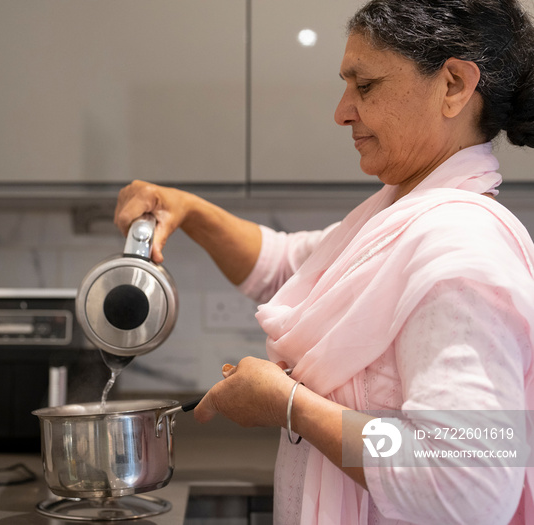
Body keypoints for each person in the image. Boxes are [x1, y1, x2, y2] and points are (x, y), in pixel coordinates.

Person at [114, 0, 534, 523]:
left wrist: (293, 408)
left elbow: (462, 482)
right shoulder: (398, 219)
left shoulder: (462, 254)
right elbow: (282, 265)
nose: (342, 111)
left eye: (366, 85)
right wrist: (189, 209)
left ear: (452, 85)